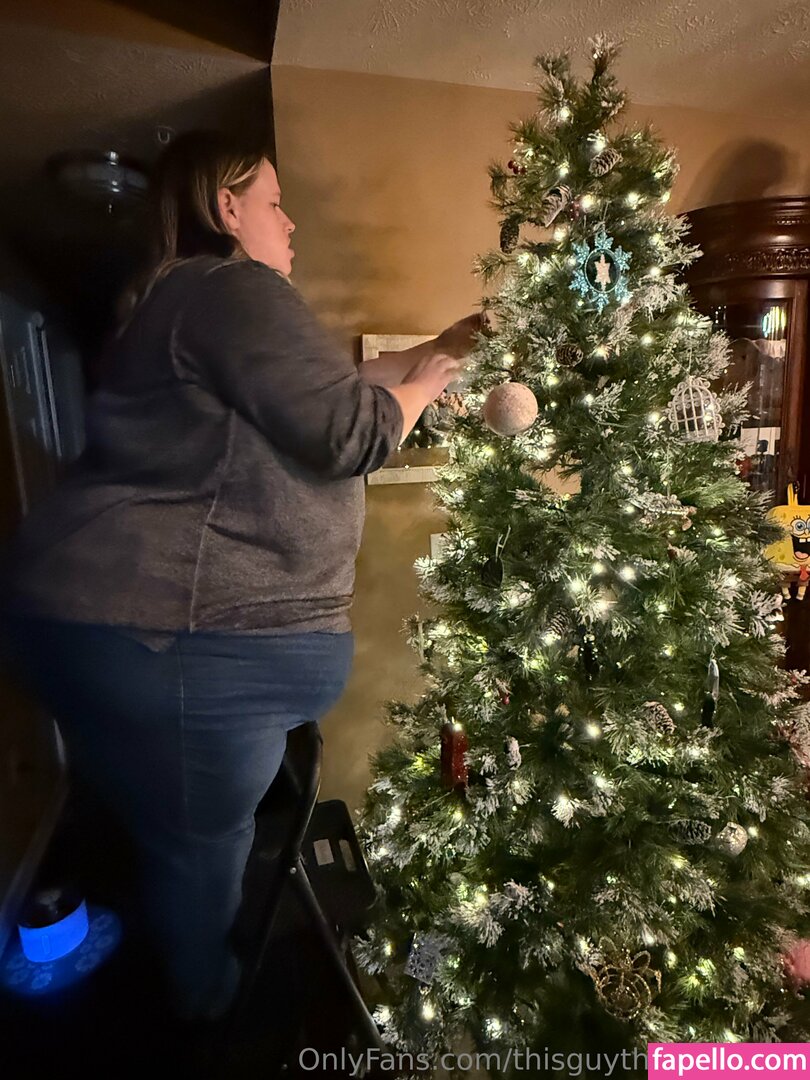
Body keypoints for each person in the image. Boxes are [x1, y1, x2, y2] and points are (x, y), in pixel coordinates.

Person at [0, 130, 483, 1026]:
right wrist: (430, 381)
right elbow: (351, 431)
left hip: (119, 621)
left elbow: (343, 384)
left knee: (169, 827)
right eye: (275, 202)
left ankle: (167, 952)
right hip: (176, 630)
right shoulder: (230, 286)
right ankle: (204, 1012)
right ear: (227, 207)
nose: (290, 223)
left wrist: (435, 350)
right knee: (198, 849)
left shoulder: (189, 299)